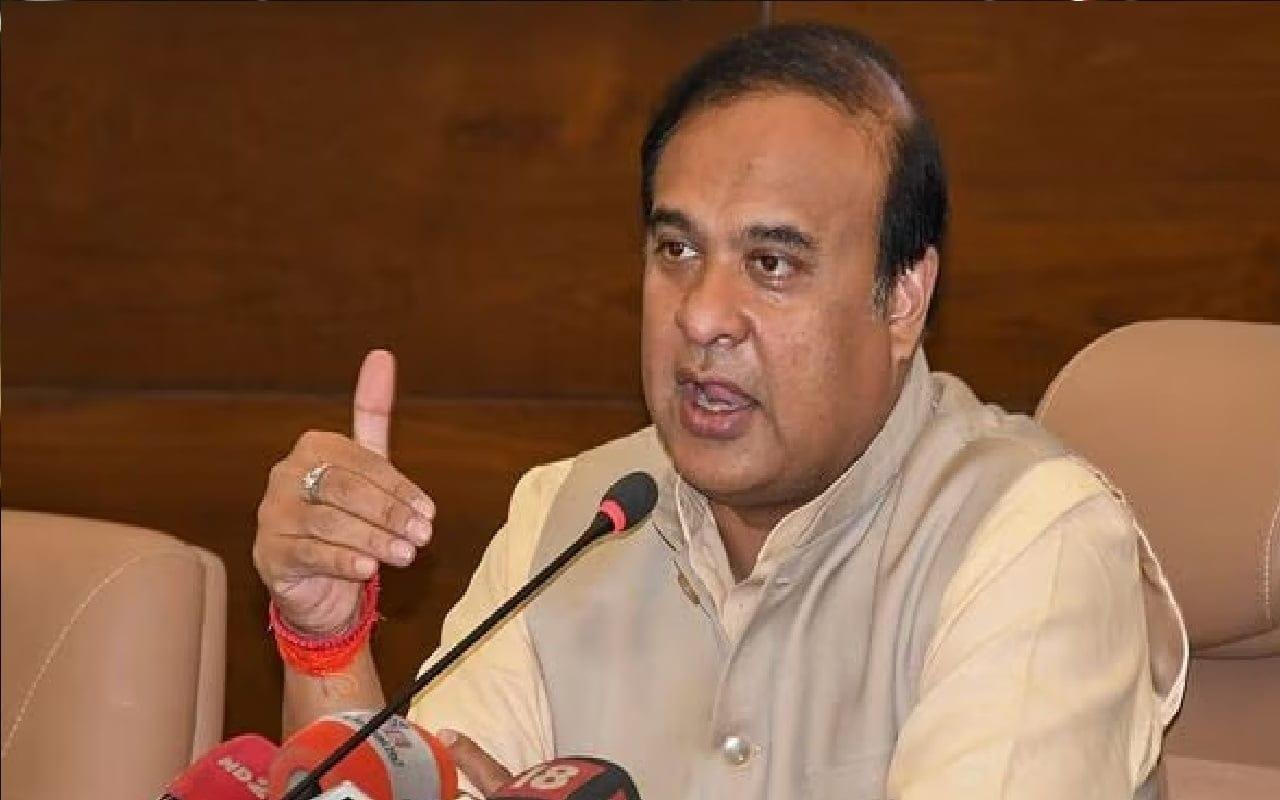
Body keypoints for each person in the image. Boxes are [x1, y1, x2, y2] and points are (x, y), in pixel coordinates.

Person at [253, 24, 1187, 799]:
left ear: (902, 298)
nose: (701, 315)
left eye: (771, 263)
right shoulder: (570, 517)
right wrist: (327, 638)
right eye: (677, 250)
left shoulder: (1029, 538)